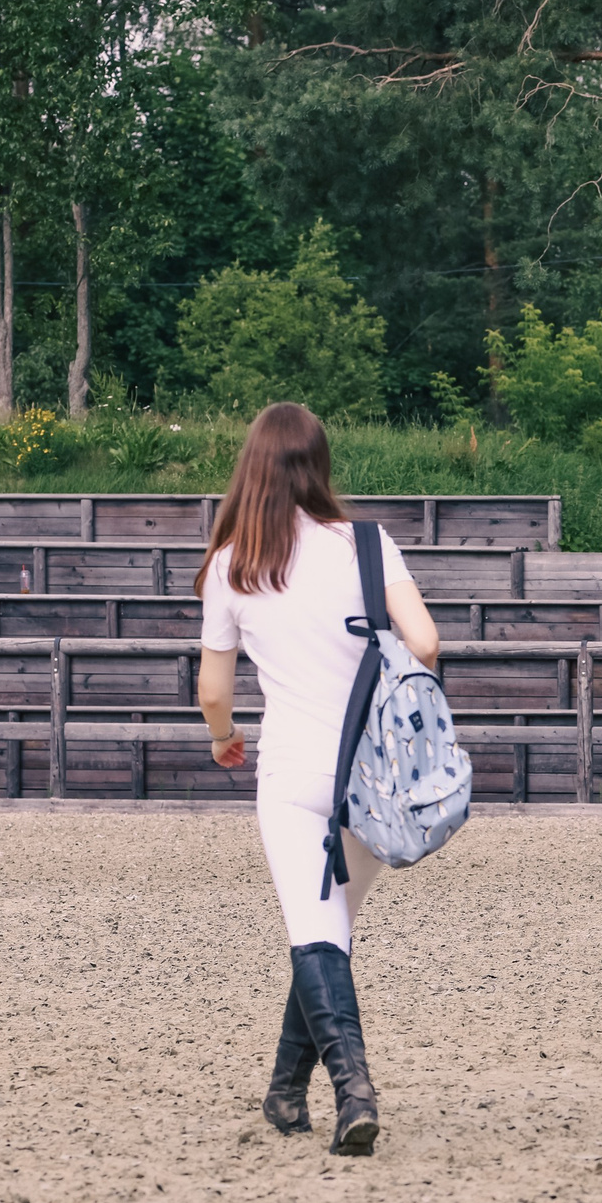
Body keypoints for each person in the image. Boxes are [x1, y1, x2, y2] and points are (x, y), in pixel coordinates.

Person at [197, 403, 443, 1156]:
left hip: (293, 773)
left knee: (318, 934)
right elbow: (426, 641)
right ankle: (283, 1089)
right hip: (370, 778)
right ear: (320, 464)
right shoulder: (367, 545)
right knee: (328, 932)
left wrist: (224, 738)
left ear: (252, 469)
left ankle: (353, 1091)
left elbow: (212, 692)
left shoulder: (232, 563)